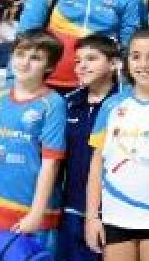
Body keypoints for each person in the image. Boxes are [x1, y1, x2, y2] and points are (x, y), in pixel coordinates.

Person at [85, 27, 149, 261]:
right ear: (127, 61)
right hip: (116, 216)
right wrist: (92, 217)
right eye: (136, 56)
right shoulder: (111, 106)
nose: (144, 64)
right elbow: (96, 166)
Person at [0, 32, 66, 251]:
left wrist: (36, 214)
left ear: (50, 66)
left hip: (30, 214)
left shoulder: (53, 104)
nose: (25, 62)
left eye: (35, 58)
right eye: (20, 54)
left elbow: (51, 163)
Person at [58, 34, 121, 261]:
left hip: (113, 213)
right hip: (71, 210)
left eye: (91, 59)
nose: (82, 66)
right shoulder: (67, 104)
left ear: (113, 64)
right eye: (78, 61)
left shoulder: (125, 105)